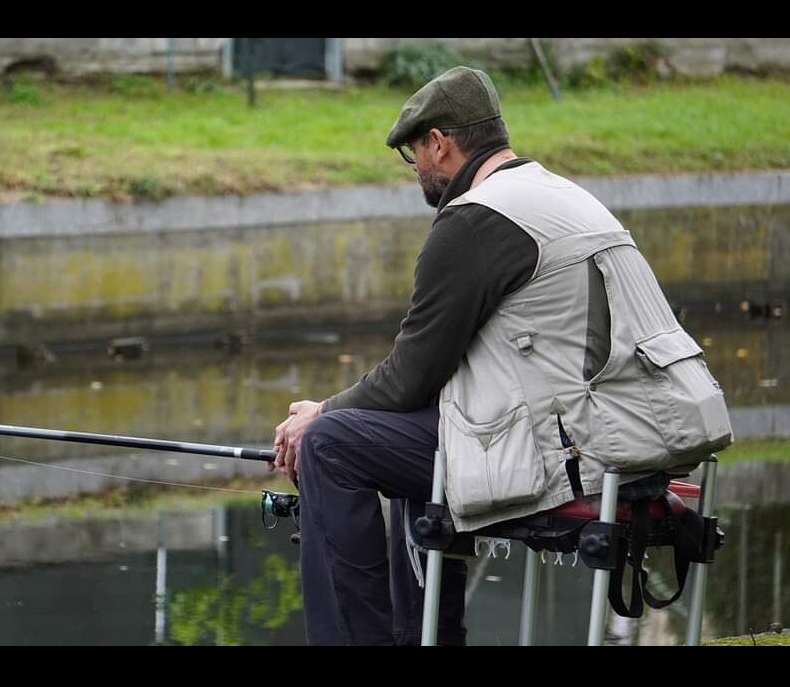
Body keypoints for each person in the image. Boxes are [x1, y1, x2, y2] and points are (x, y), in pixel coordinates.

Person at [270, 66, 731, 646]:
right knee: (397, 437)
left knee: (332, 447)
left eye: (415, 155)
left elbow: (409, 377)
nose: (418, 174)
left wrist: (322, 413)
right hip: (636, 437)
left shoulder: (473, 220)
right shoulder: (558, 193)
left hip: (585, 454)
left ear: (439, 142)